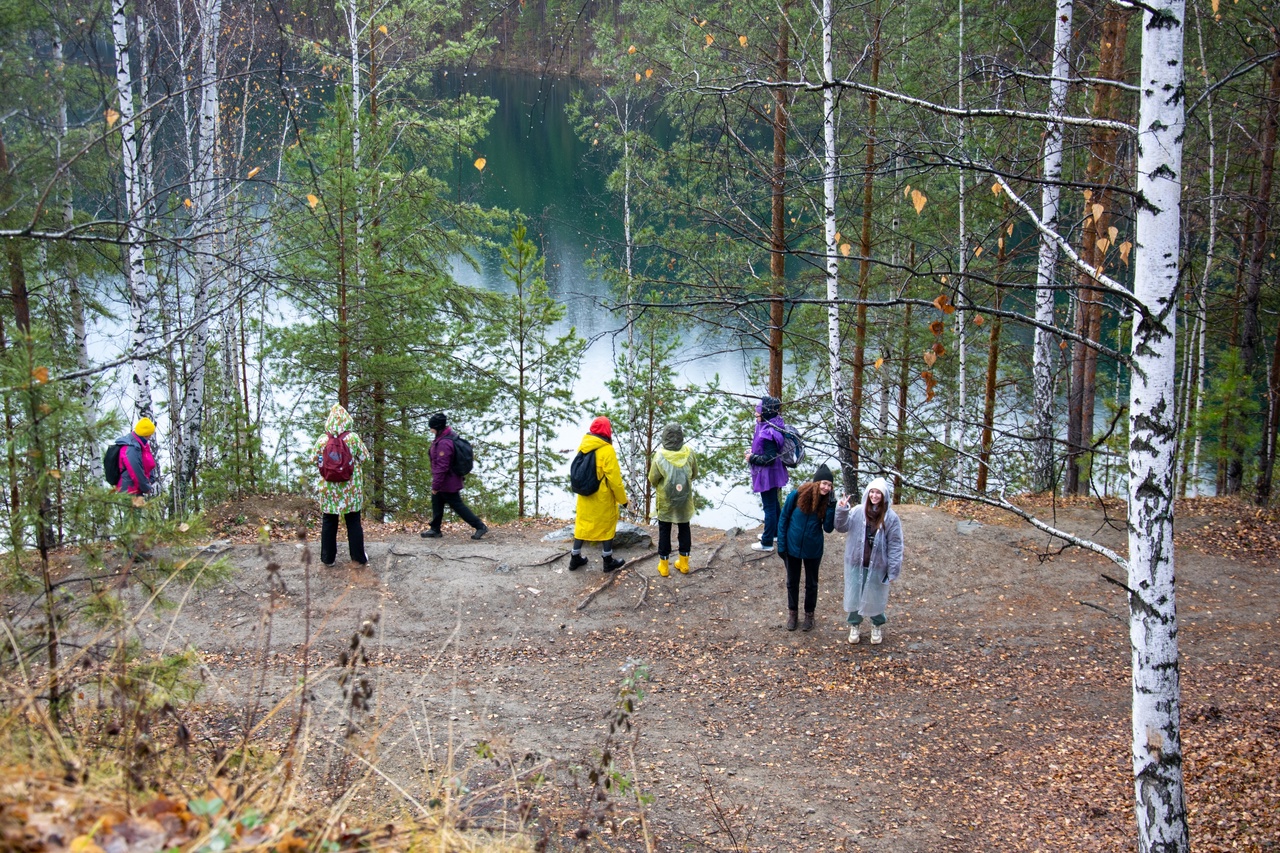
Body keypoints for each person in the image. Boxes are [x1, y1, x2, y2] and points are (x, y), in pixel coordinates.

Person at [836, 476, 904, 645]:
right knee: (854, 595)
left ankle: (876, 625)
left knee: (875, 596)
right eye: (872, 492)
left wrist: (893, 568)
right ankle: (854, 625)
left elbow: (895, 544)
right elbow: (841, 527)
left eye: (878, 493)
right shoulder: (858, 511)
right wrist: (842, 510)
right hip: (856, 562)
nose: (874, 496)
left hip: (878, 565)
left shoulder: (891, 517)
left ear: (884, 495)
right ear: (868, 493)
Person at [777, 463, 836, 632]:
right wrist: (782, 545)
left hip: (813, 549)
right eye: (824, 483)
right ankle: (793, 614)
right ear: (816, 483)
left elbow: (828, 528)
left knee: (811, 584)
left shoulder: (827, 502)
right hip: (792, 546)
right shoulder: (796, 495)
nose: (826, 487)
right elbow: (783, 519)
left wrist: (832, 507)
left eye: (830, 485)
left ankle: (809, 615)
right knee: (792, 582)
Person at [311, 403, 369, 567]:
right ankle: (358, 557)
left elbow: (312, 458)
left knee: (329, 521)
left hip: (329, 488)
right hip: (350, 488)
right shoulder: (353, 438)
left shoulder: (323, 439)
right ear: (347, 420)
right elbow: (365, 458)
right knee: (353, 521)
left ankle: (327, 558)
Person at [569, 416, 629, 573]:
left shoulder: (583, 446)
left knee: (582, 525)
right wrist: (623, 500)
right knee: (607, 527)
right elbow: (615, 481)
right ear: (607, 431)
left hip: (584, 495)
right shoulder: (607, 450)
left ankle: (575, 558)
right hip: (602, 497)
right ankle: (608, 560)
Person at [421, 412, 488, 540]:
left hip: (448, 482)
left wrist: (436, 485)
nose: (430, 429)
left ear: (437, 427)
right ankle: (435, 529)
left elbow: (442, 467)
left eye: (431, 427)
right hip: (445, 481)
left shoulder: (444, 444)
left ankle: (480, 526)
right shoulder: (445, 437)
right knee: (437, 503)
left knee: (458, 506)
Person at [647, 421, 697, 577]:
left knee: (664, 530)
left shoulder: (660, 455)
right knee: (684, 528)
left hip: (666, 500)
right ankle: (684, 564)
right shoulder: (689, 452)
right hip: (684, 499)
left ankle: (664, 566)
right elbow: (694, 473)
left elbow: (653, 478)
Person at [744, 395, 789, 552]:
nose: (756, 414)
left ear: (766, 412)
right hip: (773, 473)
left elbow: (770, 458)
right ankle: (776, 533)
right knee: (774, 504)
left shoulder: (768, 432)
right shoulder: (772, 424)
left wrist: (752, 457)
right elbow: (767, 450)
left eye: (758, 411)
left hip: (767, 475)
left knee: (769, 507)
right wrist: (754, 451)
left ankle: (767, 542)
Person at [115, 417, 158, 496]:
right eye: (150, 434)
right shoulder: (131, 447)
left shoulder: (141, 444)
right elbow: (135, 470)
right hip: (128, 491)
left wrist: (150, 480)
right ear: (146, 434)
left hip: (135, 489)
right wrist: (146, 487)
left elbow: (147, 464)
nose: (151, 436)